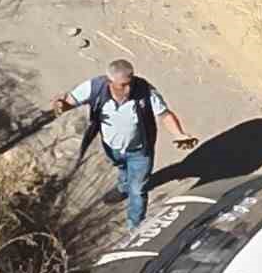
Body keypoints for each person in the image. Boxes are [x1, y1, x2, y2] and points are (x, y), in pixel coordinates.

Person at [50, 58, 195, 230]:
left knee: (138, 190)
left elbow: (165, 114)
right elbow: (70, 100)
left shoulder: (145, 91)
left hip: (140, 151)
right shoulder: (95, 87)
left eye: (130, 83)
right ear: (109, 82)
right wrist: (61, 105)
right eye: (122, 85)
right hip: (112, 147)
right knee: (121, 167)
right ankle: (122, 188)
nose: (128, 89)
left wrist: (179, 134)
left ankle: (135, 225)